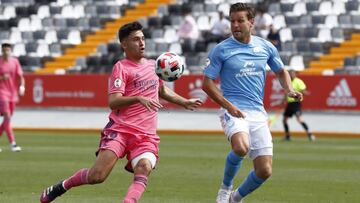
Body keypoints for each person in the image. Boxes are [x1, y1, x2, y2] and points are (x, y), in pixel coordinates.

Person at [39, 21, 203, 203]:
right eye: (135, 40)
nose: (141, 43)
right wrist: (138, 98)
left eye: (142, 39)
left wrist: (184, 101)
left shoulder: (152, 66)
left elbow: (161, 90)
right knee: (97, 176)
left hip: (145, 135)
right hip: (120, 130)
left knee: (144, 167)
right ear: (124, 44)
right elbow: (113, 101)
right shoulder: (121, 67)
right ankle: (62, 186)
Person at [202, 3, 303, 203]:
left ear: (251, 22)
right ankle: (224, 189)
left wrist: (289, 89)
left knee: (264, 170)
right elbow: (207, 84)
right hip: (232, 109)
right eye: (232, 21)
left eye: (240, 21)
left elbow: (281, 71)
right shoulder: (221, 50)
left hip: (257, 113)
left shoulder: (265, 46)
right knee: (241, 147)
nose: (235, 25)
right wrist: (228, 106)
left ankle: (235, 199)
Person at [0, 43, 25, 152]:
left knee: (7, 119)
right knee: (7, 116)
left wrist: (22, 86)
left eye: (8, 50)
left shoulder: (15, 62)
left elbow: (21, 76)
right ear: (2, 51)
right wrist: (1, 77)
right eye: (4, 50)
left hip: (13, 94)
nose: (6, 52)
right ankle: (13, 144)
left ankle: (13, 144)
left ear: (10, 51)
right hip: (2, 93)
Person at [282, 69, 315, 141]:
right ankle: (288, 136)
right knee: (284, 120)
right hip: (289, 104)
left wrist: (304, 93)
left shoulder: (298, 81)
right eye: (290, 74)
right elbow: (286, 92)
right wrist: (284, 100)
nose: (291, 75)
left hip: (296, 103)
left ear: (295, 74)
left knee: (299, 119)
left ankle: (310, 134)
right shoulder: (288, 82)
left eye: (292, 73)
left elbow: (303, 90)